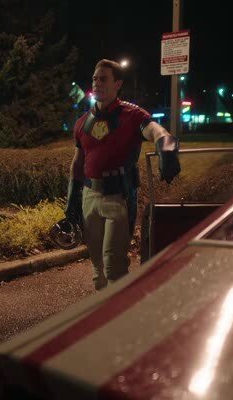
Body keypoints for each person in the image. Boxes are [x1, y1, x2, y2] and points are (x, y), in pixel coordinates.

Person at [65, 59, 180, 290]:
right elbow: (77, 163)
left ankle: (120, 308)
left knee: (114, 267)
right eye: (94, 78)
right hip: (89, 196)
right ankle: (103, 308)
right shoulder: (82, 122)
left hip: (119, 197)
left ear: (118, 84)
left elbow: (157, 131)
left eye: (103, 79)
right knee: (97, 267)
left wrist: (166, 147)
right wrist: (71, 201)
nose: (97, 83)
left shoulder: (132, 115)